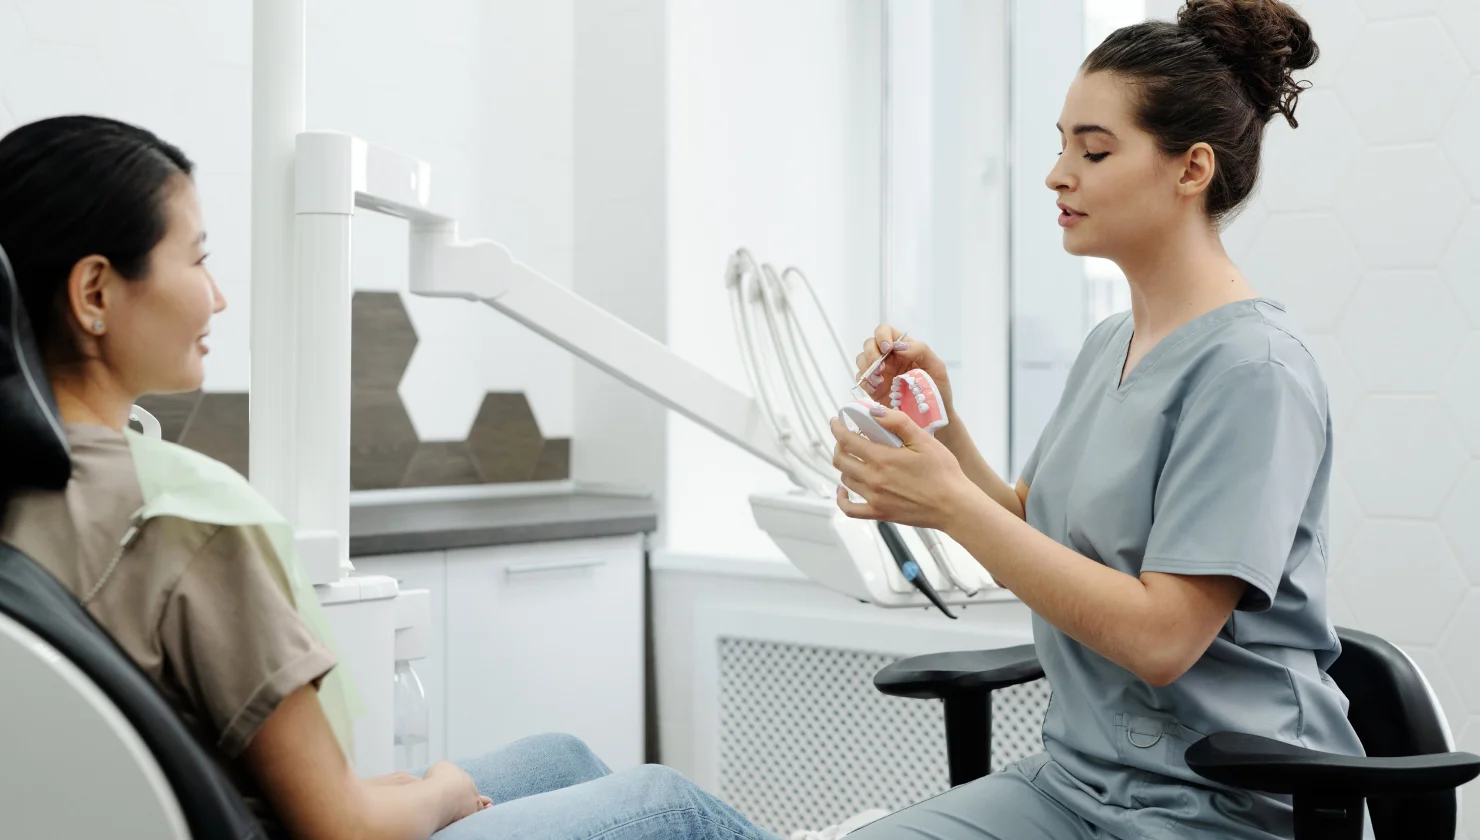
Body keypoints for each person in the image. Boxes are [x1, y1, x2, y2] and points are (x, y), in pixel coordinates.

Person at [0, 114, 794, 840]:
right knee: (667, 804)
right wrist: (444, 792)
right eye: (198, 259)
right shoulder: (184, 519)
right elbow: (342, 825)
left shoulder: (25, 485)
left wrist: (418, 792)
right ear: (95, 292)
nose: (219, 297)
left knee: (560, 757)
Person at [831, 1, 1366, 839]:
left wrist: (948, 504)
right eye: (1061, 146)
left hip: (1222, 806)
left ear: (1190, 170)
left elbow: (1162, 640)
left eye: (1093, 150)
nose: (1057, 175)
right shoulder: (1109, 344)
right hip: (1078, 782)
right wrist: (939, 429)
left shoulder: (1253, 370)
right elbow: (1030, 534)